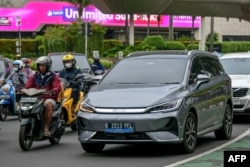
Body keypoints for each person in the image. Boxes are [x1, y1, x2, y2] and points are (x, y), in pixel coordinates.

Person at [25, 56, 61, 137]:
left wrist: (53, 91)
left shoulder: (53, 76)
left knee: (48, 105)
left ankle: (46, 128)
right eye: (40, 65)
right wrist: (22, 90)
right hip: (36, 98)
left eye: (44, 65)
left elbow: (57, 86)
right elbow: (28, 85)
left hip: (48, 97)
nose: (42, 67)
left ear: (48, 66)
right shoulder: (34, 76)